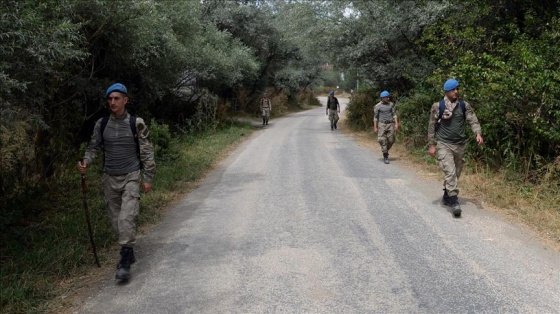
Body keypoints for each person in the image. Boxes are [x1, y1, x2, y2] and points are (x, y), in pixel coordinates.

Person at [77, 83, 156, 280]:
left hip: (131, 175)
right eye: (110, 99)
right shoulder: (102, 124)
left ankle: (125, 259)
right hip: (109, 178)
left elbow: (146, 151)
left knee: (125, 218)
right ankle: (127, 249)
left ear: (125, 100)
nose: (113, 102)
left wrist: (148, 178)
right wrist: (86, 162)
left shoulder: (136, 123)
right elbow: (93, 147)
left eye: (117, 98)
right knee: (116, 221)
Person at [428, 79, 483, 218]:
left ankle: (447, 195)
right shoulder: (438, 106)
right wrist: (431, 144)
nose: (456, 92)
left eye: (457, 89)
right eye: (453, 90)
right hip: (444, 144)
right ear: (446, 91)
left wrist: (477, 133)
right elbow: (432, 125)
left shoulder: (464, 105)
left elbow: (473, 120)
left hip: (460, 144)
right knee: (450, 172)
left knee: (456, 173)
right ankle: (454, 202)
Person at [373, 90, 399, 164]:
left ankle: (385, 150)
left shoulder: (391, 105)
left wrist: (396, 124)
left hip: (390, 124)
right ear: (383, 98)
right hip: (382, 124)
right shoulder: (377, 106)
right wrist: (375, 127)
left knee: (391, 139)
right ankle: (385, 156)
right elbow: (375, 118)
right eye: (387, 97)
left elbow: (394, 115)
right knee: (382, 140)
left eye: (388, 97)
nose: (388, 98)